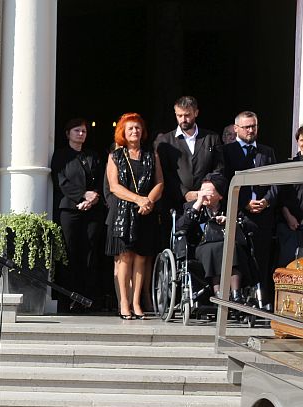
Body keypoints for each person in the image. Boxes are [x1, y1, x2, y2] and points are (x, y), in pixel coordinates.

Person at [105, 112, 164, 319]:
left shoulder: (151, 154)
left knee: (141, 258)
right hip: (123, 211)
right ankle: (124, 302)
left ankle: (137, 302)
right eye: (130, 128)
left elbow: (159, 183)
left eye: (137, 127)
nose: (134, 131)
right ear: (123, 131)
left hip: (145, 211)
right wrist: (138, 199)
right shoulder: (116, 156)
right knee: (124, 258)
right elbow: (114, 186)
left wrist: (148, 200)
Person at [221, 111, 279, 307]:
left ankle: (262, 300)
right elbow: (225, 181)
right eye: (246, 127)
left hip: (263, 216)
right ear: (236, 128)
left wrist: (267, 201)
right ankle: (238, 299)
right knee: (240, 258)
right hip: (239, 214)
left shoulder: (267, 152)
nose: (250, 130)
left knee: (261, 259)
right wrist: (244, 202)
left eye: (253, 126)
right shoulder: (227, 152)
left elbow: (276, 182)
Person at [50, 117, 106, 310]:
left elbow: (101, 180)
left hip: (92, 210)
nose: (81, 134)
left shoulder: (92, 156)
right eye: (77, 131)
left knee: (90, 252)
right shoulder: (61, 156)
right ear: (68, 134)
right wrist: (81, 196)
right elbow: (60, 181)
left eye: (83, 131)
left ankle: (88, 299)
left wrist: (93, 198)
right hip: (69, 210)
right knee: (69, 252)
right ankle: (67, 299)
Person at [177, 173, 248, 299]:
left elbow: (246, 224)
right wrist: (198, 204)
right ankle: (219, 293)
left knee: (232, 248)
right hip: (200, 247)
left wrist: (229, 220)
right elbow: (180, 227)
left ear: (220, 195)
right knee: (213, 249)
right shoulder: (191, 206)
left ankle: (236, 294)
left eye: (208, 192)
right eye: (202, 190)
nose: (204, 194)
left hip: (226, 244)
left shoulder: (229, 207)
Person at [154, 95, 224, 216]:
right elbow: (164, 173)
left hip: (206, 203)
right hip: (176, 205)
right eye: (179, 116)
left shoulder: (212, 138)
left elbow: (218, 167)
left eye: (187, 115)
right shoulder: (165, 141)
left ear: (196, 113)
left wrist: (205, 189)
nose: (183, 119)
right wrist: (185, 193)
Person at [276, 125, 303, 267]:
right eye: (302, 139)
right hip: (290, 224)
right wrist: (288, 217)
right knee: (289, 265)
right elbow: (281, 196)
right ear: (298, 142)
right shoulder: (289, 165)